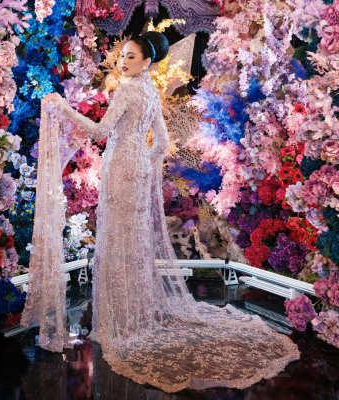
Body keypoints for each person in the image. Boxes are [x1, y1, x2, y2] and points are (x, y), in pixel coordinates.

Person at [21, 31, 301, 393]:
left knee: (118, 241)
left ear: (147, 61)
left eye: (131, 57)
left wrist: (62, 107)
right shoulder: (151, 92)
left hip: (120, 171)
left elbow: (100, 130)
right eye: (122, 55)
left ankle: (119, 324)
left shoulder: (127, 91)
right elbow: (163, 142)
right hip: (137, 172)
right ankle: (132, 316)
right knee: (132, 241)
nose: (123, 62)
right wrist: (144, 166)